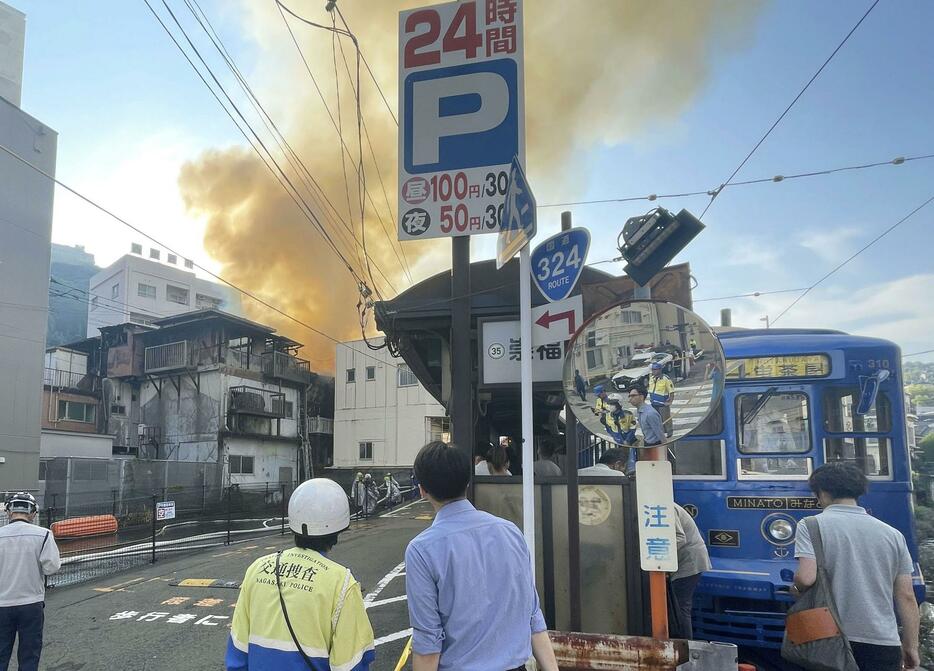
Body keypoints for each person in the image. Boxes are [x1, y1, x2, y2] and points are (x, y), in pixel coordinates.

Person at [405, 442, 559, 671]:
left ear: (422, 489)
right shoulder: (511, 532)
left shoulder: (422, 550)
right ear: (467, 482)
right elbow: (533, 616)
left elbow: (429, 643)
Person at [226, 478, 375, 671]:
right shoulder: (342, 582)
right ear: (339, 527)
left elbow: (238, 651)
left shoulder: (257, 568)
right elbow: (352, 663)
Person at [792, 463, 919, 671]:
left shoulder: (811, 525)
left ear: (821, 492)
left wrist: (796, 589)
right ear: (858, 491)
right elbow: (906, 595)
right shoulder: (892, 534)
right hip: (883, 641)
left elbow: (806, 578)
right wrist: (911, 645)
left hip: (828, 636)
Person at [0, 492, 60, 671]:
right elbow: (52, 567)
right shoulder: (43, 535)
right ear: (33, 512)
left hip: (2, 604)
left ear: (8, 511)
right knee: (29, 655)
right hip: (31, 603)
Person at [669, 504, 711, 640]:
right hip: (687, 560)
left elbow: (679, 537)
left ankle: (685, 647)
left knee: (680, 606)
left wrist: (660, 558)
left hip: (689, 561)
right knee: (681, 606)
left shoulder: (665, 506)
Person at [647, 363, 675, 437]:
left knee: (666, 418)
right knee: (657, 419)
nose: (653, 371)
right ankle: (661, 431)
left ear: (660, 370)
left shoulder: (666, 379)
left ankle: (669, 431)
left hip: (663, 403)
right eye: (653, 369)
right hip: (654, 403)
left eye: (655, 369)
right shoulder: (651, 378)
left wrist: (670, 401)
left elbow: (671, 391)